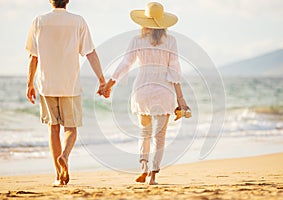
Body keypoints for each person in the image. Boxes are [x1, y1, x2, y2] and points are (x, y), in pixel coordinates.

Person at [103, 2, 189, 185]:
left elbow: (126, 63)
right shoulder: (171, 41)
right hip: (164, 91)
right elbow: (174, 71)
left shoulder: (137, 40)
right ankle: (153, 174)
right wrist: (181, 99)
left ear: (144, 21)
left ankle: (143, 167)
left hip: (142, 90)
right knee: (159, 136)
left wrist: (110, 83)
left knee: (145, 133)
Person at [25, 0, 109, 186]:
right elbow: (90, 53)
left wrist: (29, 83)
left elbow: (33, 57)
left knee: (53, 128)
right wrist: (102, 79)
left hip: (46, 84)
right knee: (70, 128)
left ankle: (58, 176)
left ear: (50, 1)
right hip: (70, 84)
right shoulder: (78, 21)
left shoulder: (38, 21)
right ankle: (64, 156)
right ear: (68, 1)